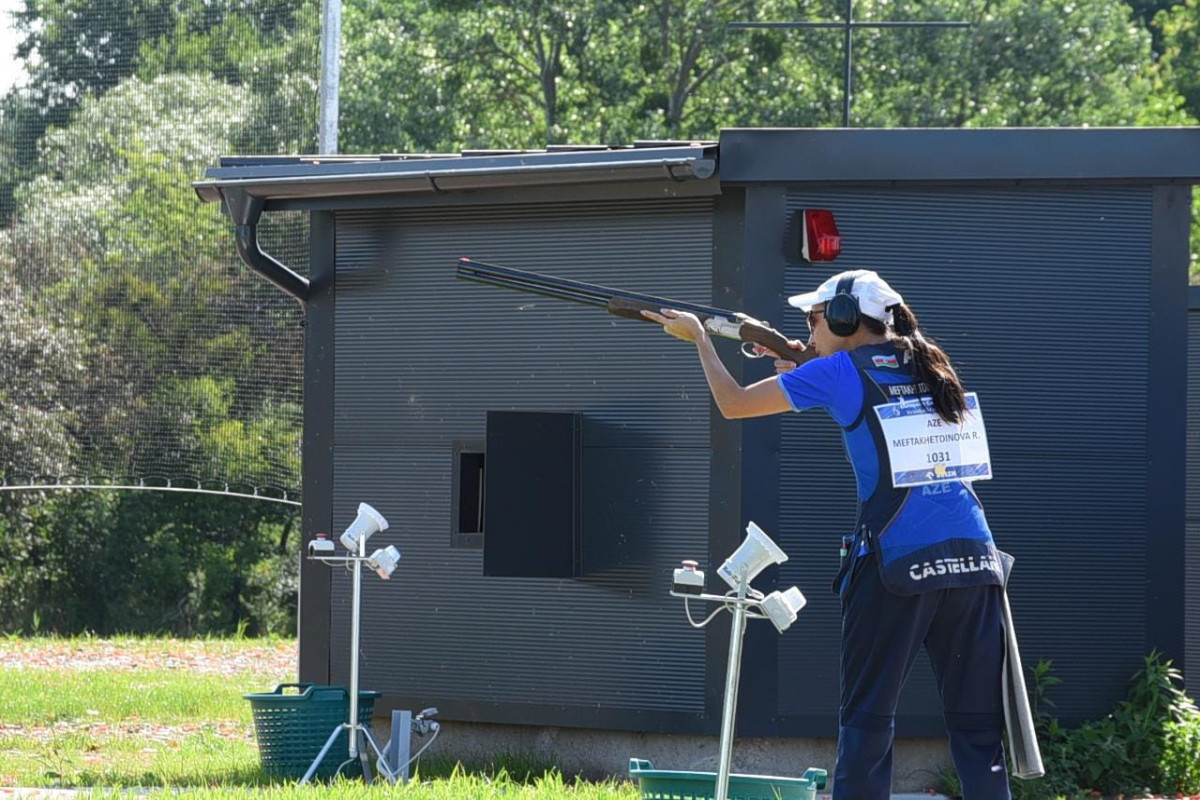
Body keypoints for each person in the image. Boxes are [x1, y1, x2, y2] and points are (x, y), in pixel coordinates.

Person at [642, 269, 1010, 800]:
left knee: (866, 727)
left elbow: (734, 403)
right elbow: (879, 393)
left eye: (813, 317)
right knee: (978, 735)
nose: (807, 326)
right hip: (975, 561)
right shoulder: (930, 362)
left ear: (842, 319)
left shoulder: (838, 371)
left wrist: (700, 339)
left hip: (895, 565)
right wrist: (805, 366)